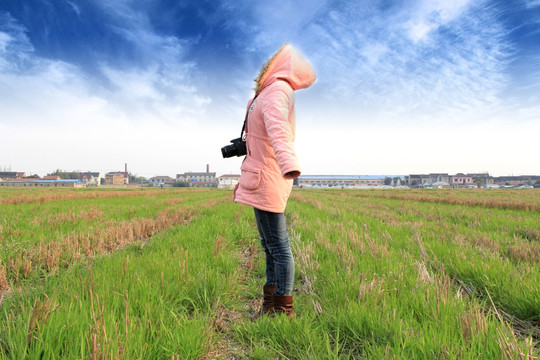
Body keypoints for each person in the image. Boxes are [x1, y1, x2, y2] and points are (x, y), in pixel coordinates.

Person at [233, 43, 316, 318]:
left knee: (278, 248)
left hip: (269, 177)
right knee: (269, 246)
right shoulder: (268, 91)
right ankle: (270, 306)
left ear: (277, 65)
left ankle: (282, 310)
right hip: (263, 176)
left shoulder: (277, 89)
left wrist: (289, 163)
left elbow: (278, 129)